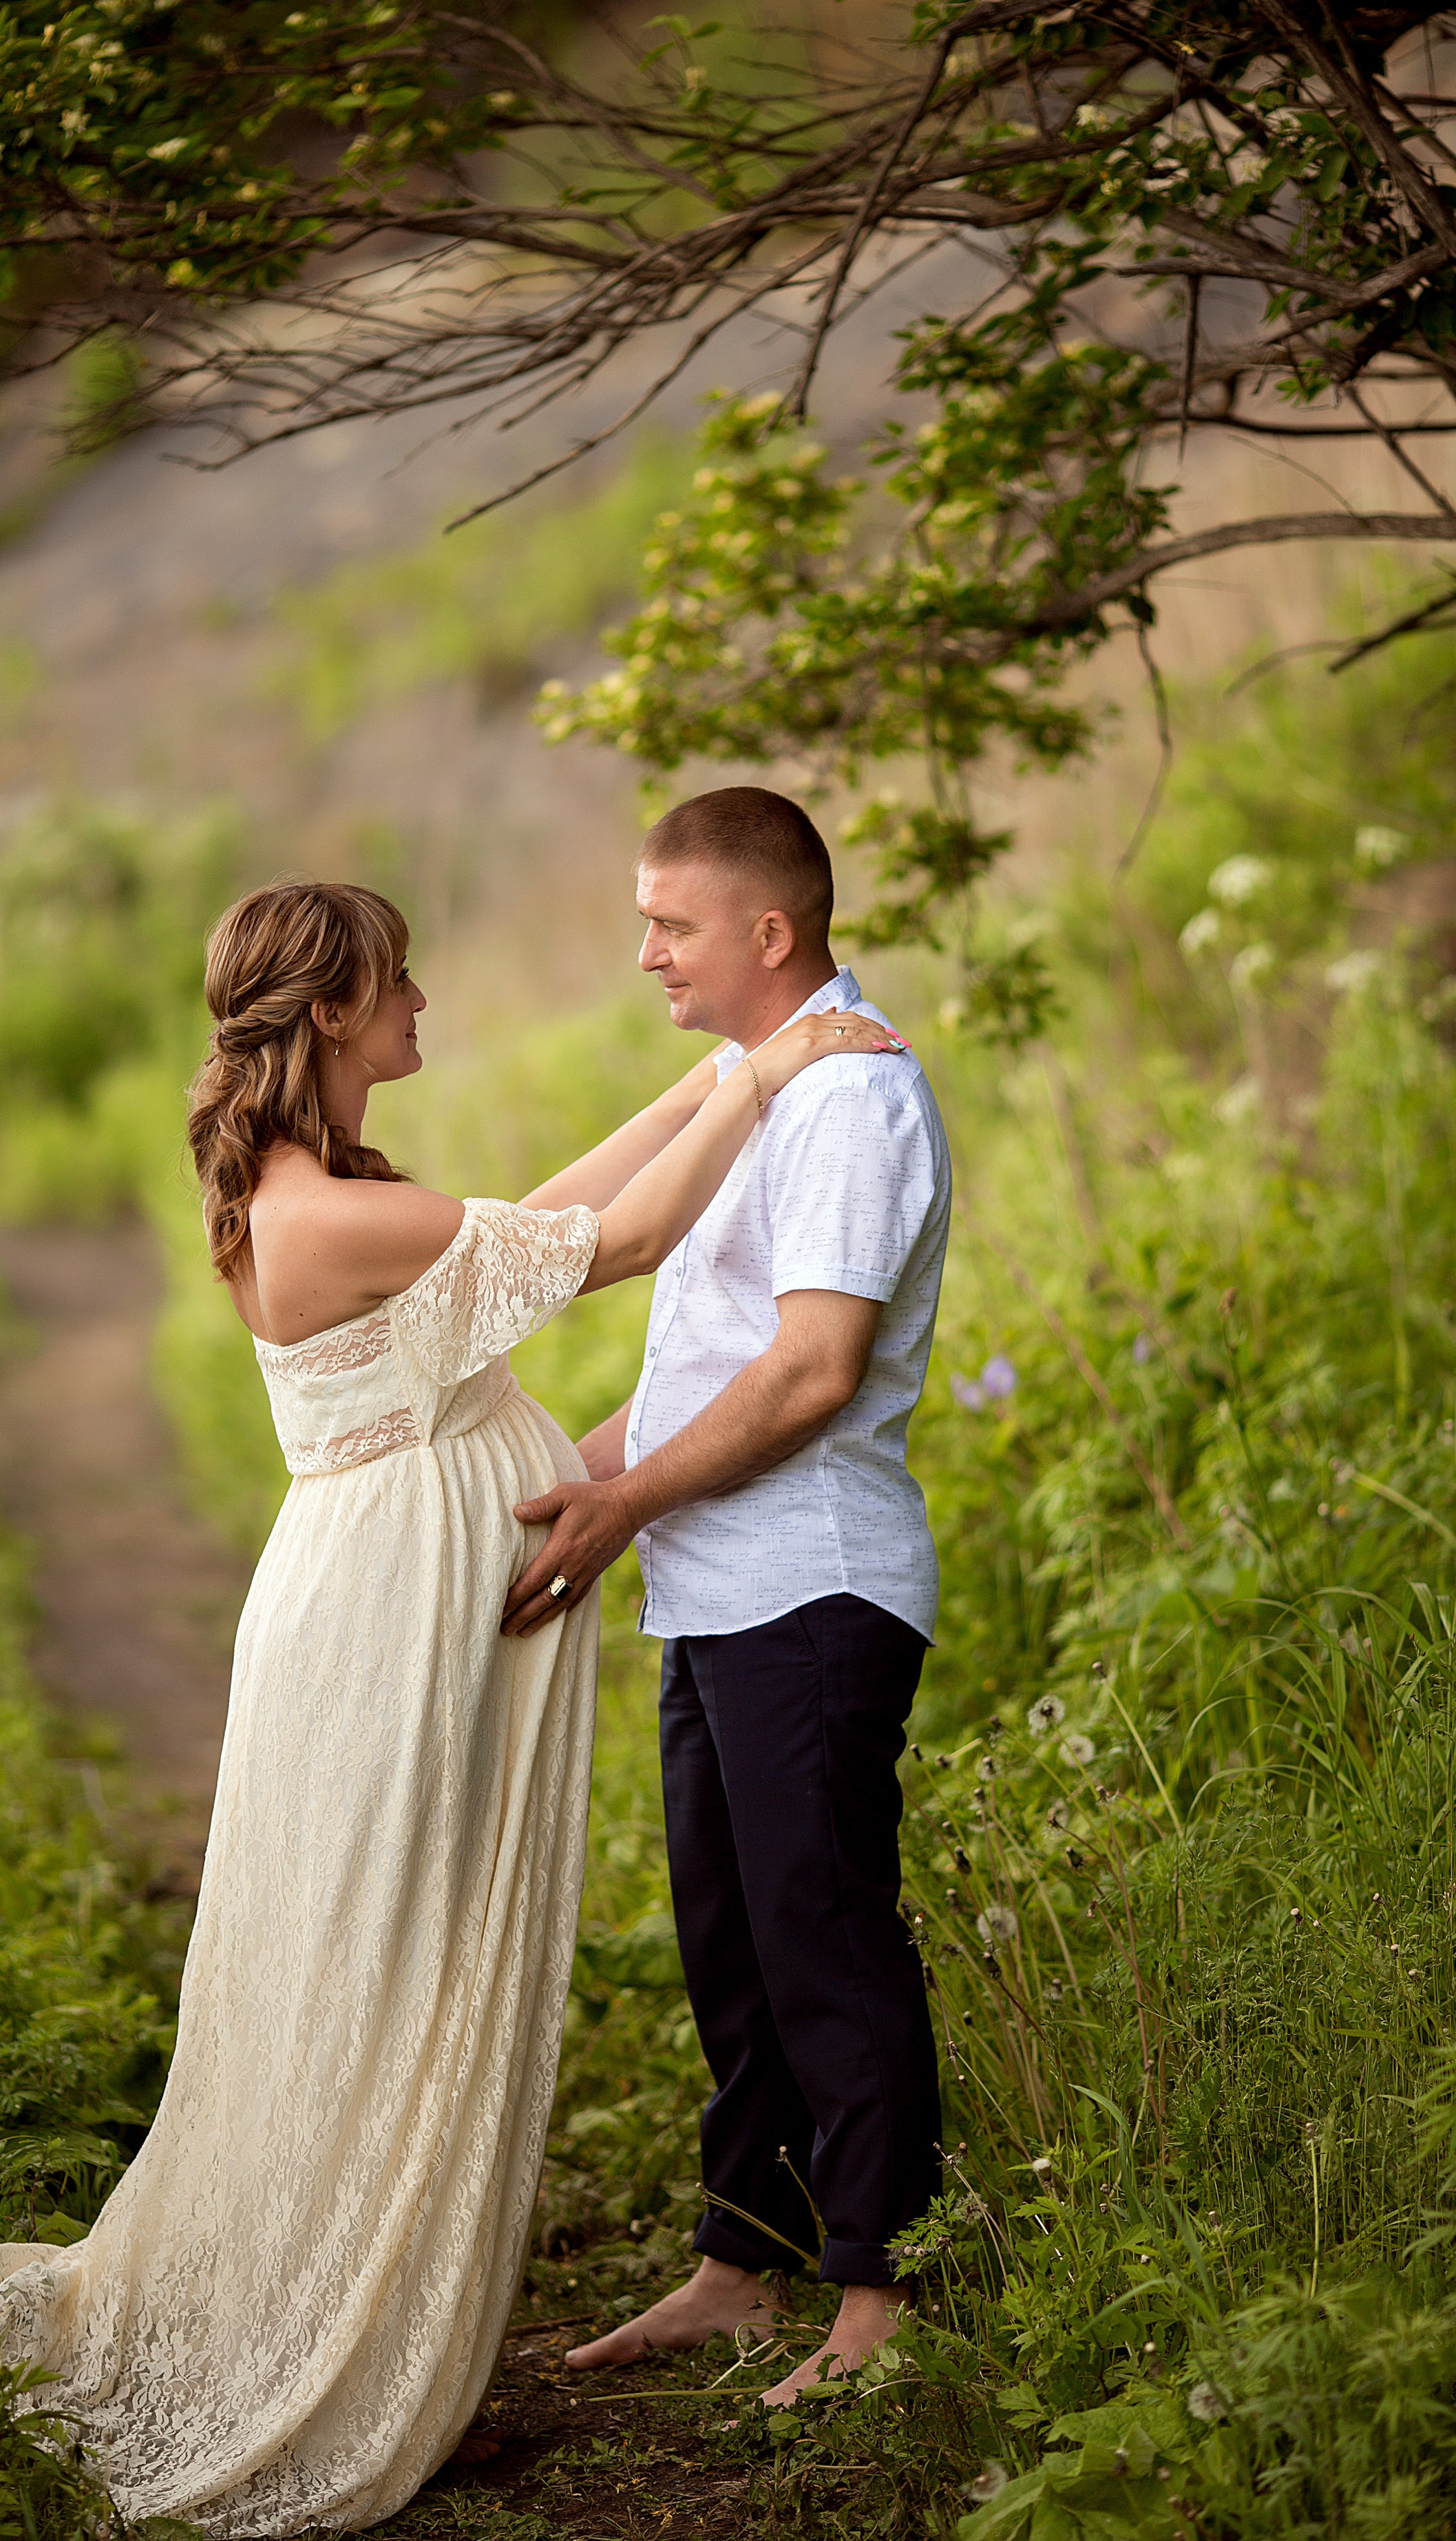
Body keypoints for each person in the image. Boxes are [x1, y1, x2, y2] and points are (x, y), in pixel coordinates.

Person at [0, 877, 901, 2535]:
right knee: (375, 1963)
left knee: (393, 1956)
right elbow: (620, 1246)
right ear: (335, 1010)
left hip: (391, 1603)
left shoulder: (339, 1189)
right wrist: (763, 1079)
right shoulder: (315, 1212)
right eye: (398, 979)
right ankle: (318, 2346)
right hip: (375, 1626)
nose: (422, 996)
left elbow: (543, 1219)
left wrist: (729, 1069)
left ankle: (365, 2313)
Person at [503, 786, 951, 2407]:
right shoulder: (759, 1093)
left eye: (670, 924)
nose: (646, 954)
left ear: (768, 933)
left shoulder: (849, 1102)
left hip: (810, 1588)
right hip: (714, 1591)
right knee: (735, 1946)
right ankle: (738, 2266)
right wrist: (574, 1487)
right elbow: (701, 1363)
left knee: (820, 1938)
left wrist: (623, 1501)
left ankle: (880, 2304)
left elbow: (811, 1372)